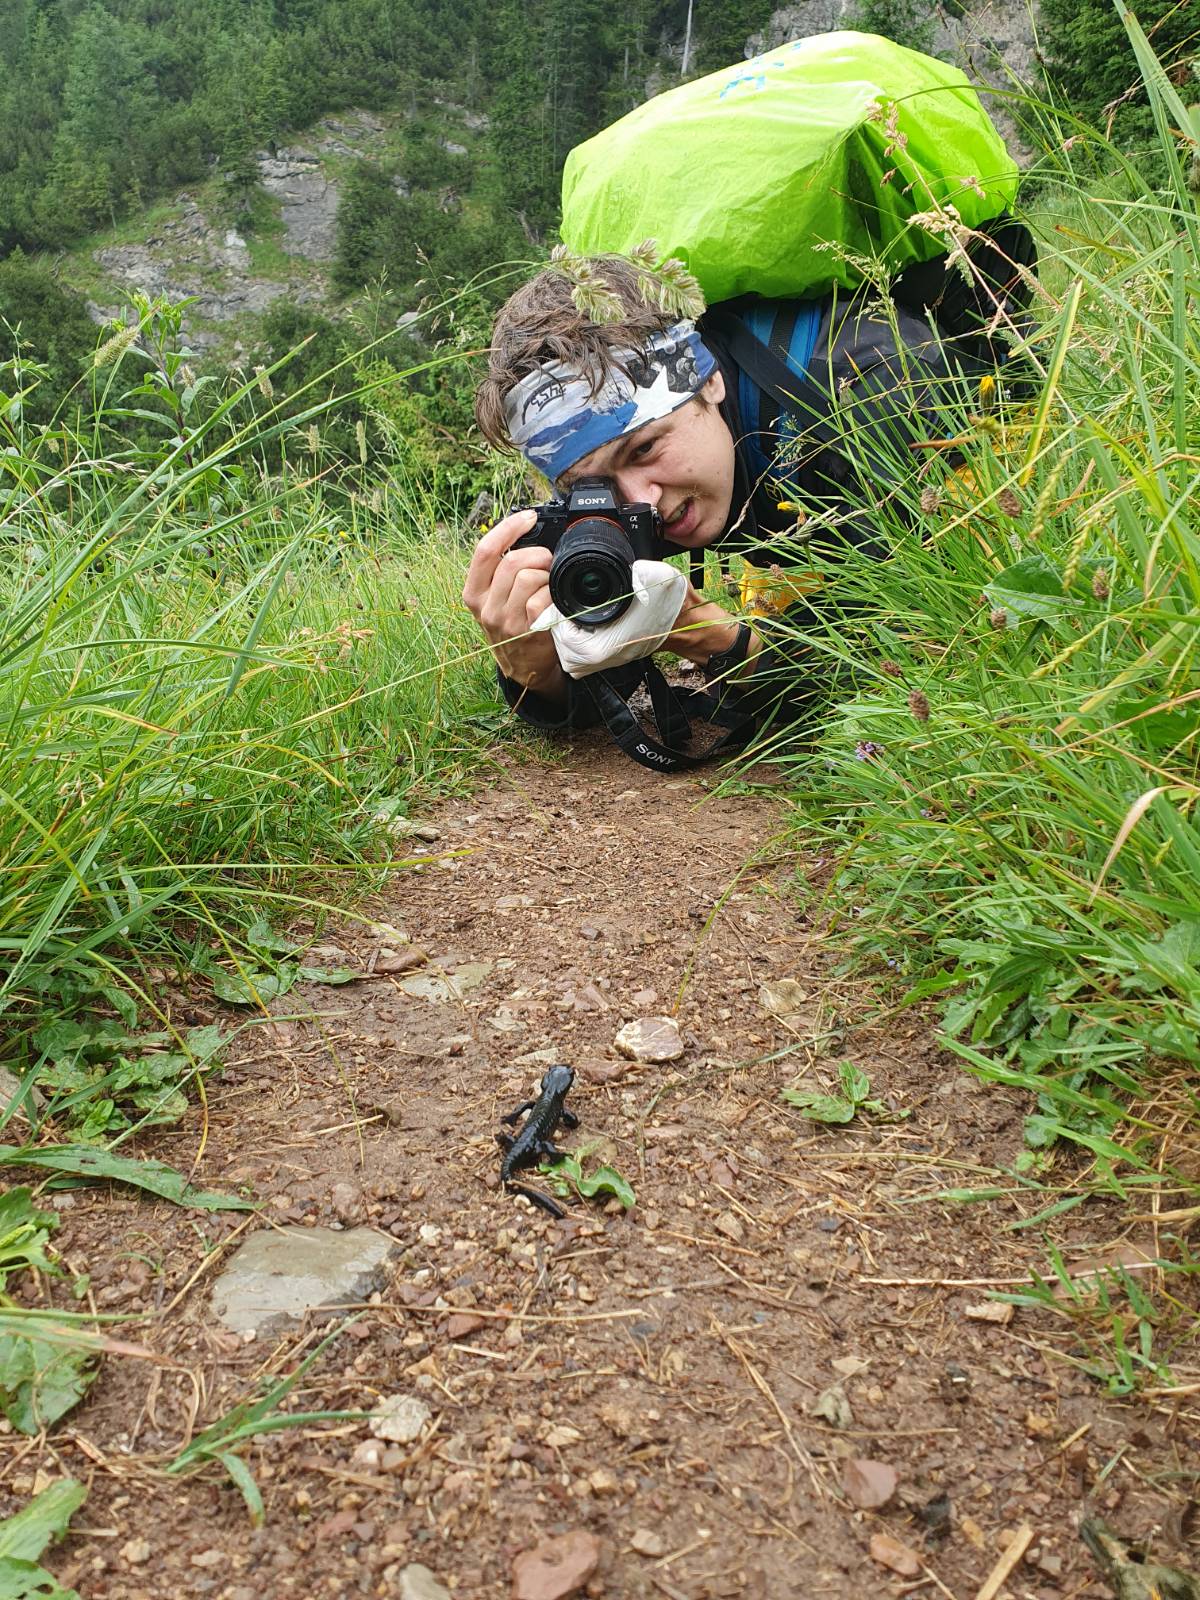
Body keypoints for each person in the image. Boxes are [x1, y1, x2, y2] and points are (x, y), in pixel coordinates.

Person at [463, 227, 1034, 751]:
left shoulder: (874, 390)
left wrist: (716, 640)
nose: (642, 502)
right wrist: (536, 667)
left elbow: (929, 658)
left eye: (644, 449)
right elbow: (596, 689)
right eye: (593, 486)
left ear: (708, 379)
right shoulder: (649, 487)